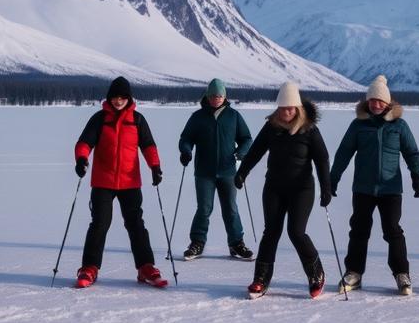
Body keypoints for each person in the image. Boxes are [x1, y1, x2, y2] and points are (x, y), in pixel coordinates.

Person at [234, 81, 331, 299]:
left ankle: (316, 274)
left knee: (296, 232)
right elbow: (256, 150)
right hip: (274, 187)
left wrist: (327, 187)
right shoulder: (272, 127)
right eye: (282, 107)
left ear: (297, 108)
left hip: (302, 189)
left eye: (290, 107)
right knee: (271, 232)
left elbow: (322, 159)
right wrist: (242, 173)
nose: (286, 111)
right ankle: (260, 279)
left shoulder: (309, 129)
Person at [330, 75, 419, 296]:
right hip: (363, 188)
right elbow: (344, 152)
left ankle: (402, 274)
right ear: (367, 102)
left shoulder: (399, 125)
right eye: (372, 100)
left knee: (393, 230)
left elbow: (411, 152)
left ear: (387, 102)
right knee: (359, 230)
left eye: (380, 100)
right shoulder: (358, 125)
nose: (376, 104)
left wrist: (417, 176)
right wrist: (333, 178)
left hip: (390, 190)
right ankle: (354, 272)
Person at [74, 76, 167, 289]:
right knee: (99, 224)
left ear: (129, 98)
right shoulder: (99, 118)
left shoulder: (138, 120)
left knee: (136, 225)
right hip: (102, 181)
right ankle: (89, 268)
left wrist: (155, 166)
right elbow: (84, 142)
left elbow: (148, 146)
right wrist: (81, 159)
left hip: (130, 182)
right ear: (109, 97)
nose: (118, 101)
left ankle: (146, 267)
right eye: (115, 97)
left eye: (122, 97)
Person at [179, 78, 254, 261]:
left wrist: (241, 153)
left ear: (225, 96)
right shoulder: (198, 117)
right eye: (212, 96)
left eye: (219, 96)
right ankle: (197, 243)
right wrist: (186, 151)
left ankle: (236, 243)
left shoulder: (233, 116)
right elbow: (186, 138)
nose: (216, 99)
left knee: (231, 209)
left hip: (228, 172)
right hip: (204, 172)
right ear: (207, 96)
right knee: (204, 208)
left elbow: (246, 138)